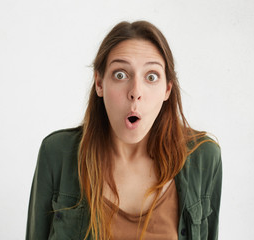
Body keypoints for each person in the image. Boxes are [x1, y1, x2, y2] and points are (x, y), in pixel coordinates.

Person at [26, 20, 222, 240]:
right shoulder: (57, 153)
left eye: (151, 76)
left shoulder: (204, 157)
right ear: (99, 83)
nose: (135, 92)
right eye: (120, 75)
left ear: (167, 89)